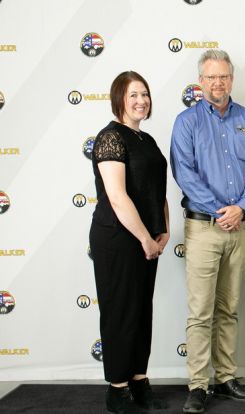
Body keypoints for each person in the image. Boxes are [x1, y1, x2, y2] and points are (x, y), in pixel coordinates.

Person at [170, 49, 245, 414]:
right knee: (200, 312)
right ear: (200, 82)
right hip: (203, 228)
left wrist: (240, 207)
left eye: (223, 76)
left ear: (232, 79)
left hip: (241, 227)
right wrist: (219, 210)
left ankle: (226, 378)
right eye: (211, 77)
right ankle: (198, 385)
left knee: (229, 309)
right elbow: (184, 172)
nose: (218, 83)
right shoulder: (186, 122)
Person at [89, 71, 169, 414]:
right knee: (120, 309)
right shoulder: (110, 138)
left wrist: (164, 229)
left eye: (145, 94)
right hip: (118, 237)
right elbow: (118, 197)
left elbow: (157, 190)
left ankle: (138, 380)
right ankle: (117, 388)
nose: (141, 101)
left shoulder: (146, 139)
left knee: (141, 310)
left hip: (147, 237)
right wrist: (144, 238)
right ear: (119, 99)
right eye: (133, 95)